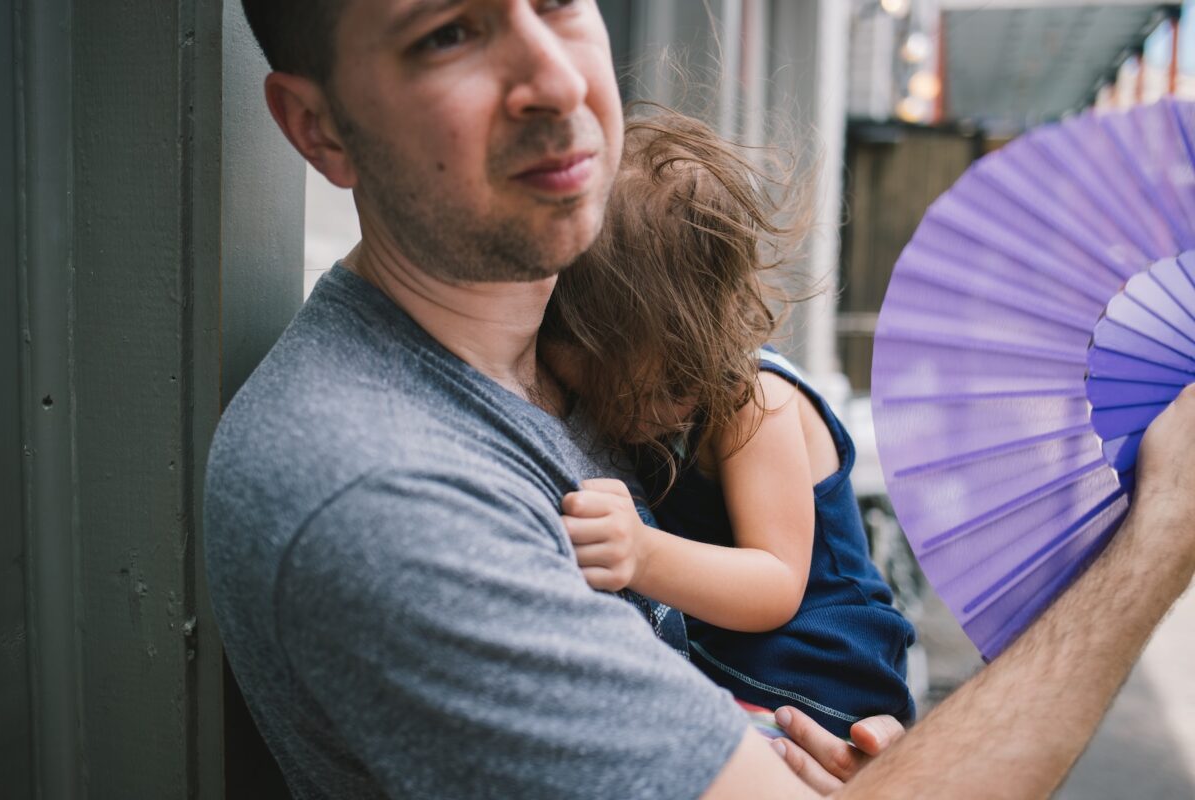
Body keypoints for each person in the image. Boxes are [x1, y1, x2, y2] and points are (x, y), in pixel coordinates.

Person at [205, 1, 1195, 797]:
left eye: (559, 1)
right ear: (318, 127)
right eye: (448, 33)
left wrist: (897, 763)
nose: (558, 79)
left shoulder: (591, 362)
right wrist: (1159, 532)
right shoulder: (382, 494)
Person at [538, 109, 914, 740]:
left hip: (821, 672)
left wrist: (642, 552)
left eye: (625, 395)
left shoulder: (756, 402)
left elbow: (775, 584)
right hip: (736, 662)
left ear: (690, 347)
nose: (608, 422)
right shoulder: (655, 395)